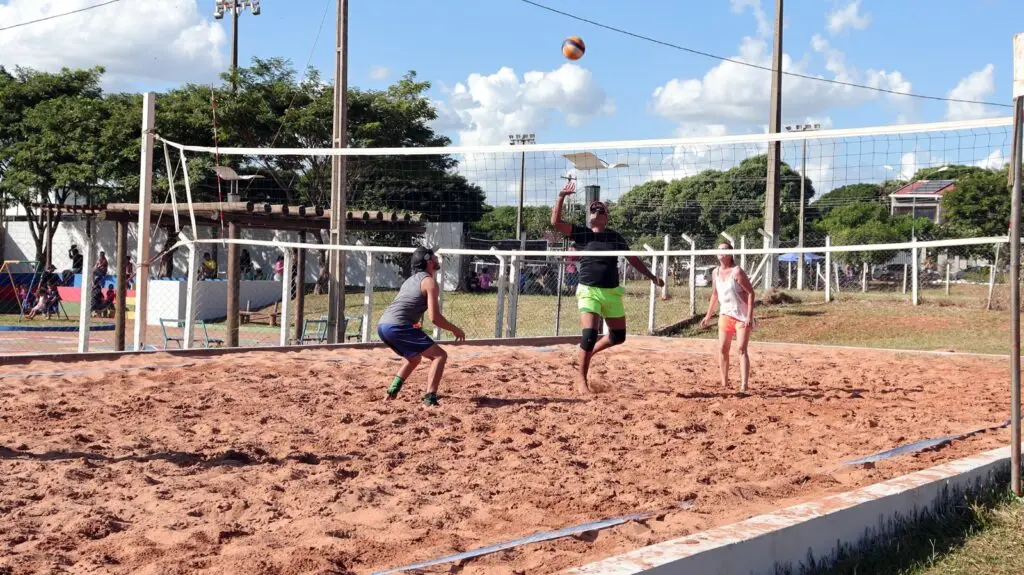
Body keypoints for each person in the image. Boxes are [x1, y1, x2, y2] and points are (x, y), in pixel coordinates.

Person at [550, 178, 663, 394]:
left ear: (606, 216)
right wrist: (561, 196)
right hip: (588, 290)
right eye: (593, 209)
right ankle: (581, 380)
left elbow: (632, 258)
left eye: (600, 209)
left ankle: (588, 352)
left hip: (611, 291)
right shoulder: (582, 233)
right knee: (589, 335)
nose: (596, 211)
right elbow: (556, 222)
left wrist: (651, 276)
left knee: (618, 336)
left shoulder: (614, 237)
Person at [377, 246, 466, 406]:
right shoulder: (429, 282)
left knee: (414, 358)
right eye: (434, 256)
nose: (437, 258)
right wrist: (455, 329)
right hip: (398, 326)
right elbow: (435, 318)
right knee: (440, 356)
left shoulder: (410, 280)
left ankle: (391, 392)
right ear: (429, 261)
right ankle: (430, 398)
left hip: (383, 326)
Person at [699, 242, 756, 392]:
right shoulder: (715, 272)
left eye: (723, 249)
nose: (720, 251)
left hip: (741, 316)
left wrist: (749, 316)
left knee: (741, 349)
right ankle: (724, 383)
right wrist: (708, 316)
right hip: (725, 315)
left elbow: (751, 293)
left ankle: (744, 385)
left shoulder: (737, 272)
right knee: (723, 349)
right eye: (718, 249)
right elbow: (714, 294)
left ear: (730, 253)